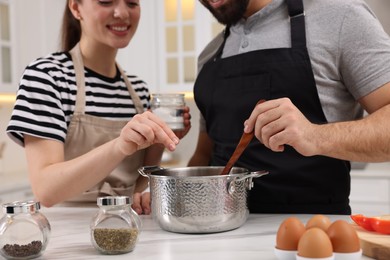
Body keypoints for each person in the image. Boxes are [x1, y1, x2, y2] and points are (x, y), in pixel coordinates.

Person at [189, 0, 390, 214]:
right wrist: (164, 195)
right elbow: (204, 154)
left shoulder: (343, 17)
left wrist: (315, 136)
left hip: (310, 233)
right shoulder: (208, 56)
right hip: (216, 236)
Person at [6, 0, 191, 215]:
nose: (122, 13)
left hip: (127, 227)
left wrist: (161, 141)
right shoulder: (47, 77)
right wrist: (120, 145)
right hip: (68, 233)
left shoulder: (138, 90)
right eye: (105, 1)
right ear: (75, 7)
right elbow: (46, 190)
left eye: (132, 3)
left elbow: (139, 182)